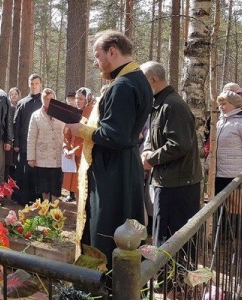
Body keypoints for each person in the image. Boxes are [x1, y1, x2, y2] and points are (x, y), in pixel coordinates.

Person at [65, 30, 152, 266]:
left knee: (107, 229)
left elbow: (115, 136)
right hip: (123, 166)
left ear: (112, 52)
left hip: (112, 173)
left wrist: (80, 130)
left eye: (97, 56)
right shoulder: (136, 79)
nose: (96, 63)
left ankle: (106, 283)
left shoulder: (123, 86)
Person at [139, 61, 202, 245]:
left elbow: (180, 144)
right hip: (168, 180)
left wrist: (151, 159)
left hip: (178, 185)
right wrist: (148, 151)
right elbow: (154, 135)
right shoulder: (160, 104)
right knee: (162, 235)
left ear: (152, 79)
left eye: (143, 83)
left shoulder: (172, 105)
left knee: (173, 240)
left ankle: (174, 274)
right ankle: (164, 273)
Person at [212, 91, 242, 194]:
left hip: (235, 174)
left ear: (234, 105)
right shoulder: (220, 123)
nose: (221, 107)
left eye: (224, 104)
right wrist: (208, 164)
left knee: (233, 206)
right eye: (219, 104)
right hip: (218, 172)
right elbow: (214, 145)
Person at [27, 88, 65, 201]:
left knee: (56, 187)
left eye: (51, 99)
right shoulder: (35, 115)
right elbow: (31, 137)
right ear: (42, 100)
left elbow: (67, 133)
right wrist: (31, 158)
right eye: (45, 99)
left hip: (58, 156)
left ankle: (54, 212)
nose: (48, 101)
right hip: (42, 157)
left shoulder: (62, 114)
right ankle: (45, 211)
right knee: (44, 188)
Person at [13, 74, 43, 205]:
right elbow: (16, 124)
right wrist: (17, 143)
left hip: (42, 145)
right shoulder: (22, 103)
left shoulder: (45, 102)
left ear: (40, 84)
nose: (34, 86)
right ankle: (23, 198)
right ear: (29, 84)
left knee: (39, 173)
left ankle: (39, 199)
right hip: (25, 144)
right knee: (24, 173)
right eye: (32, 83)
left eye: (36, 83)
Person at [62, 87, 93, 203]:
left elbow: (90, 136)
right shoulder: (73, 112)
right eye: (76, 98)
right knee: (76, 188)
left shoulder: (92, 114)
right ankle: (79, 215)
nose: (77, 101)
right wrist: (66, 148)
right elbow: (67, 134)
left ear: (88, 98)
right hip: (72, 157)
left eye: (81, 98)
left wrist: (76, 150)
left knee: (85, 187)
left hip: (85, 157)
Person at [5, 87, 21, 183]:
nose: (13, 96)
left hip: (18, 139)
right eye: (12, 94)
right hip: (10, 140)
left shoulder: (21, 106)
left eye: (15, 94)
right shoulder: (8, 107)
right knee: (9, 164)